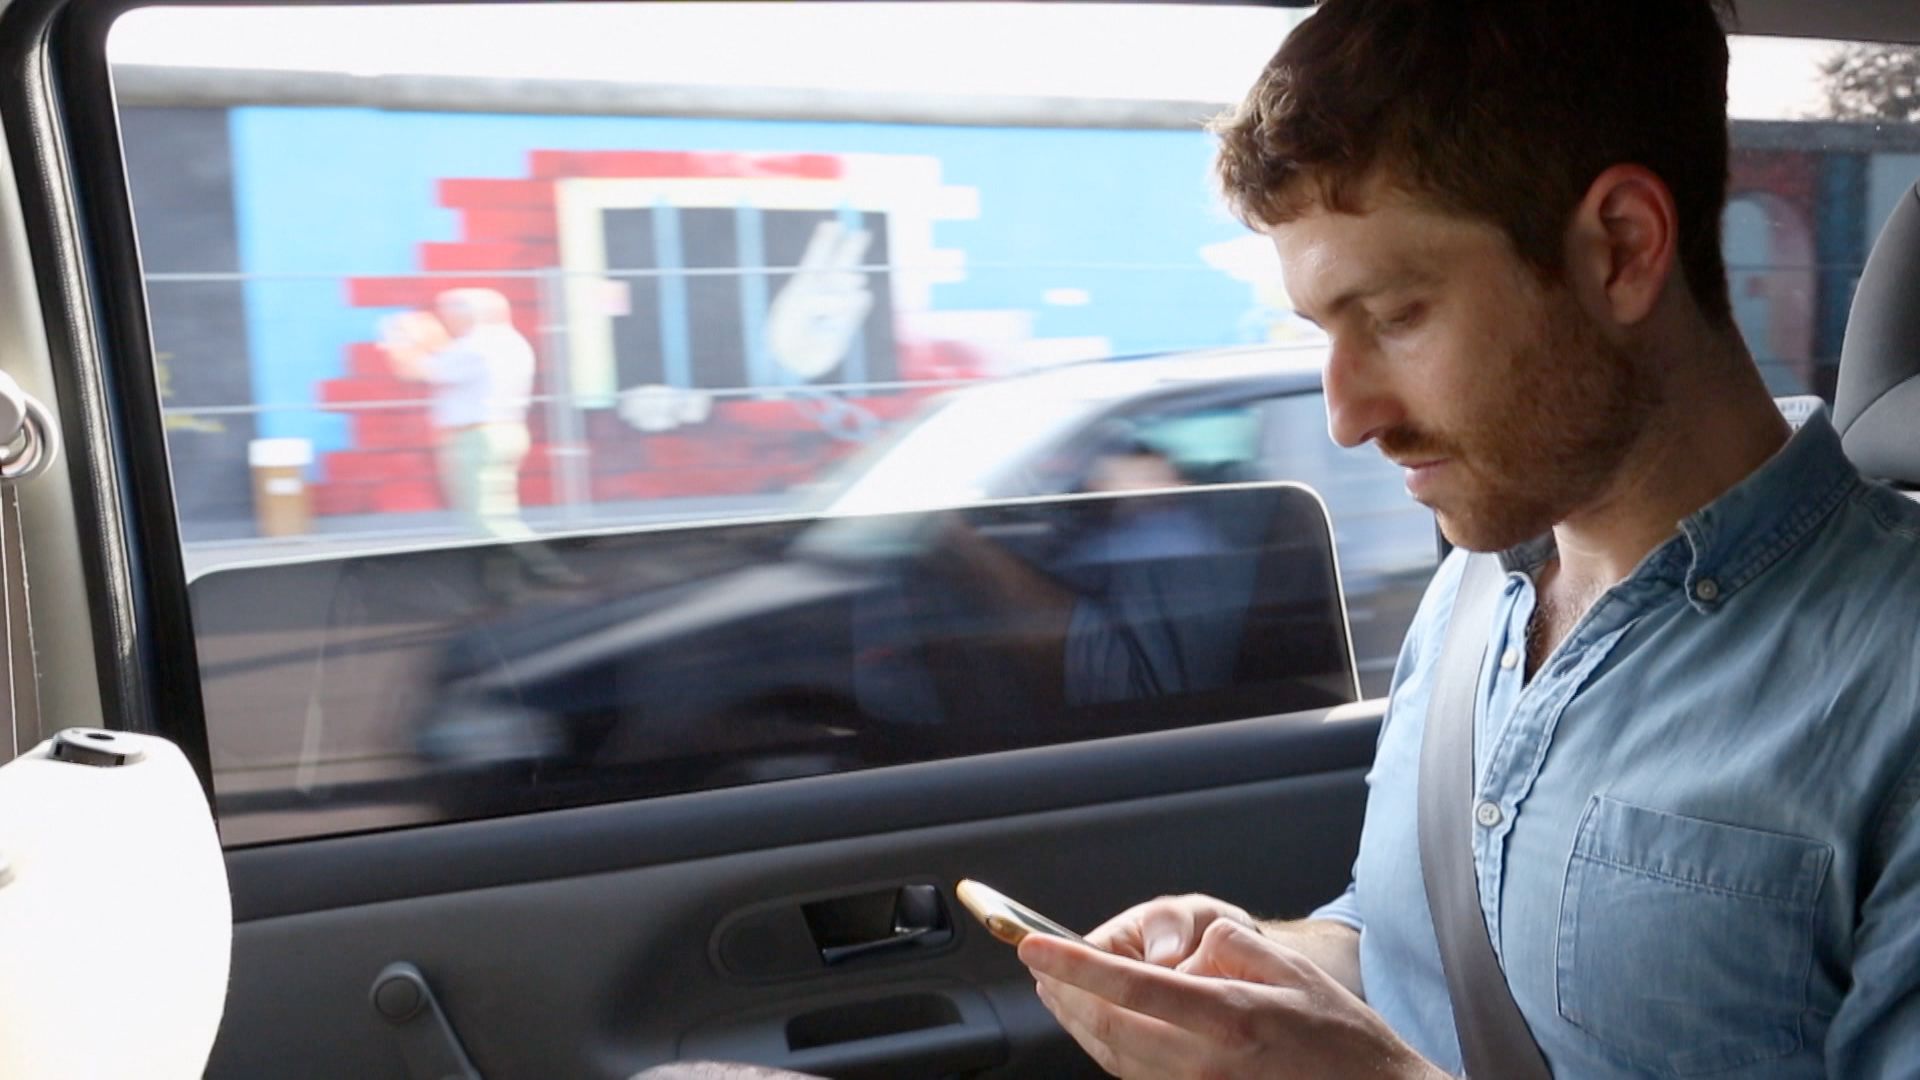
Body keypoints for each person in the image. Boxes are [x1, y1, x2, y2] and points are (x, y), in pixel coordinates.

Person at [1015, 1, 1920, 1078]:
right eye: (1324, 333)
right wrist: (1252, 967)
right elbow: (1411, 949)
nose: (1346, 416)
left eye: (1396, 316)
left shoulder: (1895, 682)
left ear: (1622, 249)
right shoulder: (1476, 591)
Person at [383, 287, 537, 539]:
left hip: (477, 439)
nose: (447, 321)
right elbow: (450, 360)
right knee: (494, 517)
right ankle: (509, 565)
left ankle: (541, 563)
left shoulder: (476, 346)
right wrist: (432, 340)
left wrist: (399, 337)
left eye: (449, 315)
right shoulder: (508, 341)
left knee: (486, 522)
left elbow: (414, 369)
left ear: (466, 316)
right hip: (502, 432)